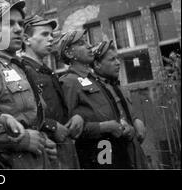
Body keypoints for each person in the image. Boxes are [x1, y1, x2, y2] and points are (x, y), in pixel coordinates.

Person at [0, 0, 57, 169]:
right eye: (9, 24)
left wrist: (42, 139)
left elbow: (31, 117)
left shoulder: (21, 67)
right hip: (4, 163)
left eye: (20, 23)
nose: (19, 29)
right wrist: (22, 139)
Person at [57, 31, 139, 169]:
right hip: (97, 151)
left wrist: (124, 126)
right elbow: (69, 128)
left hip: (117, 148)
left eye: (87, 41)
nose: (89, 46)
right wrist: (104, 127)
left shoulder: (95, 79)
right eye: (82, 43)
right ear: (70, 54)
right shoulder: (69, 82)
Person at [21, 15, 82, 169]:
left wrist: (75, 117)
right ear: (27, 39)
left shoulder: (47, 71)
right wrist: (51, 126)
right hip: (45, 149)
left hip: (63, 147)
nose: (50, 39)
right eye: (44, 34)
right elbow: (22, 111)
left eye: (51, 35)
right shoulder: (23, 71)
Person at [91, 40, 148, 168]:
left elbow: (128, 111)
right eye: (112, 60)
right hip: (114, 153)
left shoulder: (116, 85)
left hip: (134, 151)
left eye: (117, 58)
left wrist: (137, 120)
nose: (118, 63)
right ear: (97, 64)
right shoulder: (96, 89)